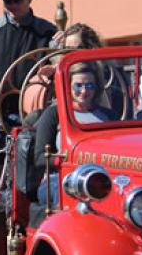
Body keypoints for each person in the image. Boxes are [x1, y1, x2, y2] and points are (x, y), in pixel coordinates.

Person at [34, 61, 110, 208]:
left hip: (99, 177)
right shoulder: (54, 114)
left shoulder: (106, 115)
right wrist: (69, 159)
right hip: (61, 178)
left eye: (89, 86)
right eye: (78, 86)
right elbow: (39, 157)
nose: (84, 91)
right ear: (68, 86)